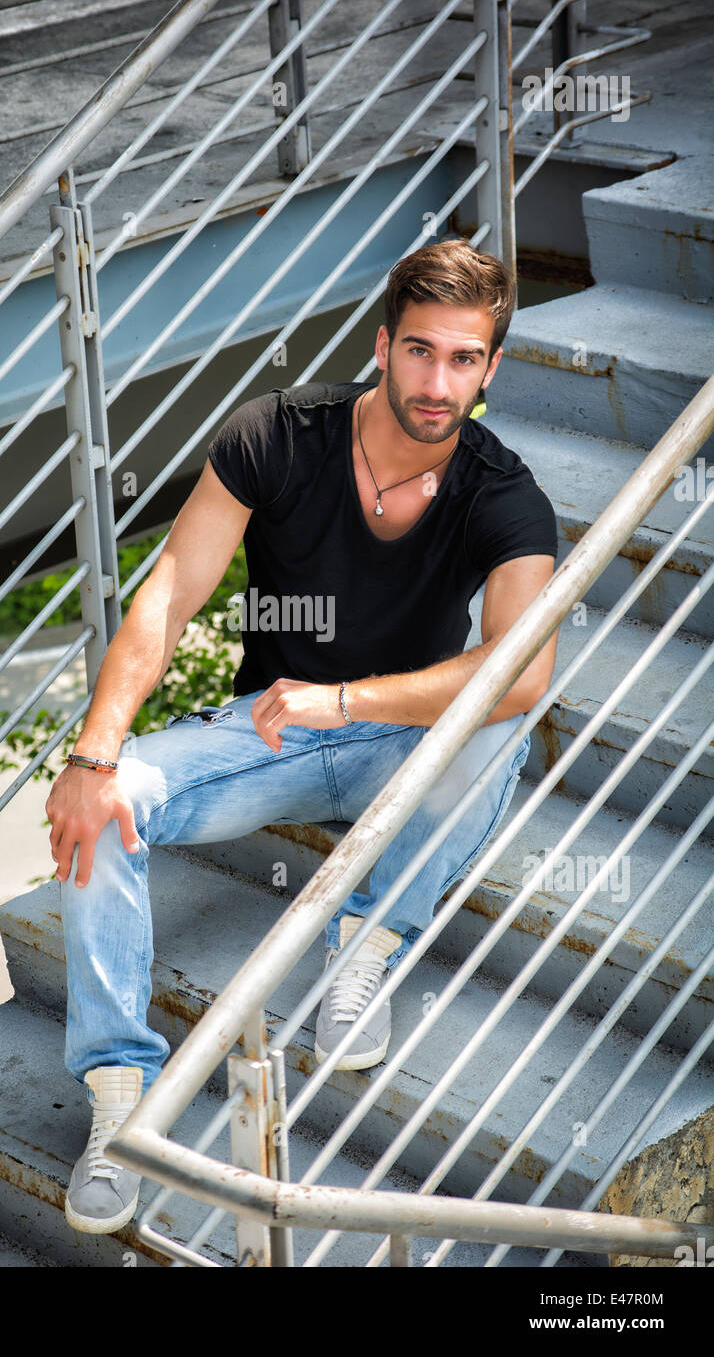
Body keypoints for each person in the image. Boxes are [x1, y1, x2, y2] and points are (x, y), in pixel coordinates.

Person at [46, 238, 559, 1234]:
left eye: (462, 359)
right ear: (381, 345)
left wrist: (347, 699)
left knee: (507, 715)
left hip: (389, 740)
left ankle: (363, 938)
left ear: (490, 369)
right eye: (419, 351)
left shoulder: (505, 496)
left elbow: (518, 668)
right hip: (264, 738)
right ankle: (118, 1098)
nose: (436, 380)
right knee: (105, 802)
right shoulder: (275, 435)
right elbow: (168, 595)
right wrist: (94, 748)